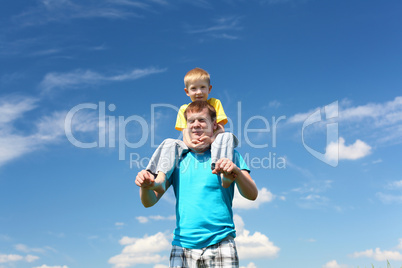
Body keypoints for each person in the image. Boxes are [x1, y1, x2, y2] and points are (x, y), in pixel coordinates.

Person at [136, 101, 258, 268]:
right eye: (191, 121)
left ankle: (226, 178)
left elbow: (252, 194)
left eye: (202, 120)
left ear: (214, 125)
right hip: (182, 246)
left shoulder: (229, 155)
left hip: (220, 241)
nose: (196, 125)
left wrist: (235, 172)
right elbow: (148, 202)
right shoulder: (178, 158)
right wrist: (145, 186)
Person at [146, 67, 238, 188]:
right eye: (194, 88)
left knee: (226, 136)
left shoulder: (215, 103)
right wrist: (192, 145)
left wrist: (211, 140)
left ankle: (222, 172)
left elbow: (221, 128)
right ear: (187, 91)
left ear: (209, 89)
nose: (199, 92)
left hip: (213, 142)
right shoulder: (184, 109)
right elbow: (185, 134)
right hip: (191, 144)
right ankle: (158, 177)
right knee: (169, 143)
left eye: (203, 87)